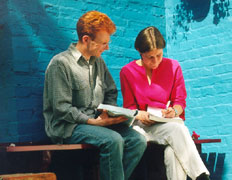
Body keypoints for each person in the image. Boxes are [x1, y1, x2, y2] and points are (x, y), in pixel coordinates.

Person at [43, 11, 147, 180]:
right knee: (113, 140)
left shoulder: (98, 62)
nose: (107, 48)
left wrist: (107, 113)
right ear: (86, 40)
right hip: (68, 126)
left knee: (138, 141)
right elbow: (61, 108)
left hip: (97, 123)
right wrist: (92, 121)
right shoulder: (60, 64)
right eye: (103, 43)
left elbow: (111, 91)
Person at [120, 26, 210, 180]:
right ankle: (202, 176)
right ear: (140, 53)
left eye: (159, 55)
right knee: (177, 131)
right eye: (150, 57)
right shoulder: (127, 72)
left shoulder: (173, 67)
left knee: (172, 151)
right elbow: (129, 107)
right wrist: (140, 115)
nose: (155, 61)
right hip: (142, 127)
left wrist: (174, 111)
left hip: (167, 123)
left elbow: (180, 101)